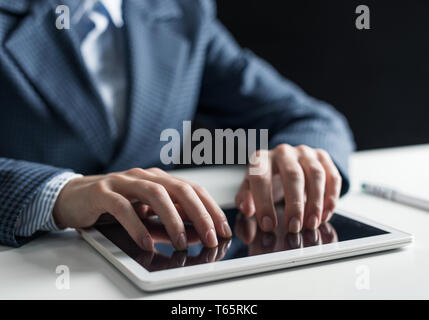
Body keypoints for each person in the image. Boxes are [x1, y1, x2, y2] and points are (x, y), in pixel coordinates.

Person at [0, 0, 355, 251]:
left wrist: (302, 156)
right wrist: (58, 194)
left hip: (161, 262)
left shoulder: (183, 12)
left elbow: (313, 118)